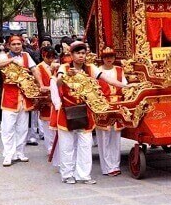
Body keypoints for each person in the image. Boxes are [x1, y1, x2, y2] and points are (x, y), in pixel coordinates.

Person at [55, 41, 126, 184]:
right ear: (72, 55)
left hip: (85, 111)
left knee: (85, 145)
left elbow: (108, 79)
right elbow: (58, 82)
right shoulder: (64, 67)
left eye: (83, 53)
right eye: (78, 53)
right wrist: (66, 76)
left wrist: (127, 86)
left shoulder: (90, 68)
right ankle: (67, 174)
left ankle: (83, 175)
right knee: (67, 145)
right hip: (67, 111)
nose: (81, 56)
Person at [0, 35, 39, 166]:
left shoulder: (26, 56)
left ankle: (20, 152)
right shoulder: (5, 56)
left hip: (24, 96)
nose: (16, 46)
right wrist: (12, 60)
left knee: (23, 127)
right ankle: (8, 154)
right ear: (9, 46)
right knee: (7, 128)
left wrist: (40, 84)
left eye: (19, 44)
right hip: (9, 96)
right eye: (13, 44)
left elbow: (34, 70)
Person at [95, 47, 126, 176]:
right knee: (103, 138)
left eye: (111, 56)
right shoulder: (97, 71)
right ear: (102, 58)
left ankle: (115, 165)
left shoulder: (119, 70)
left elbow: (125, 85)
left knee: (115, 137)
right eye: (106, 57)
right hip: (103, 106)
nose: (109, 59)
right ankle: (107, 167)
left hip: (117, 106)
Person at [35, 46, 58, 165]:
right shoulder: (39, 68)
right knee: (47, 127)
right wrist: (52, 88)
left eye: (52, 57)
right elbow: (41, 86)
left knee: (55, 126)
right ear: (43, 56)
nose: (51, 59)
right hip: (46, 100)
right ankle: (49, 148)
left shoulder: (57, 67)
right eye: (48, 57)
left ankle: (56, 147)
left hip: (55, 101)